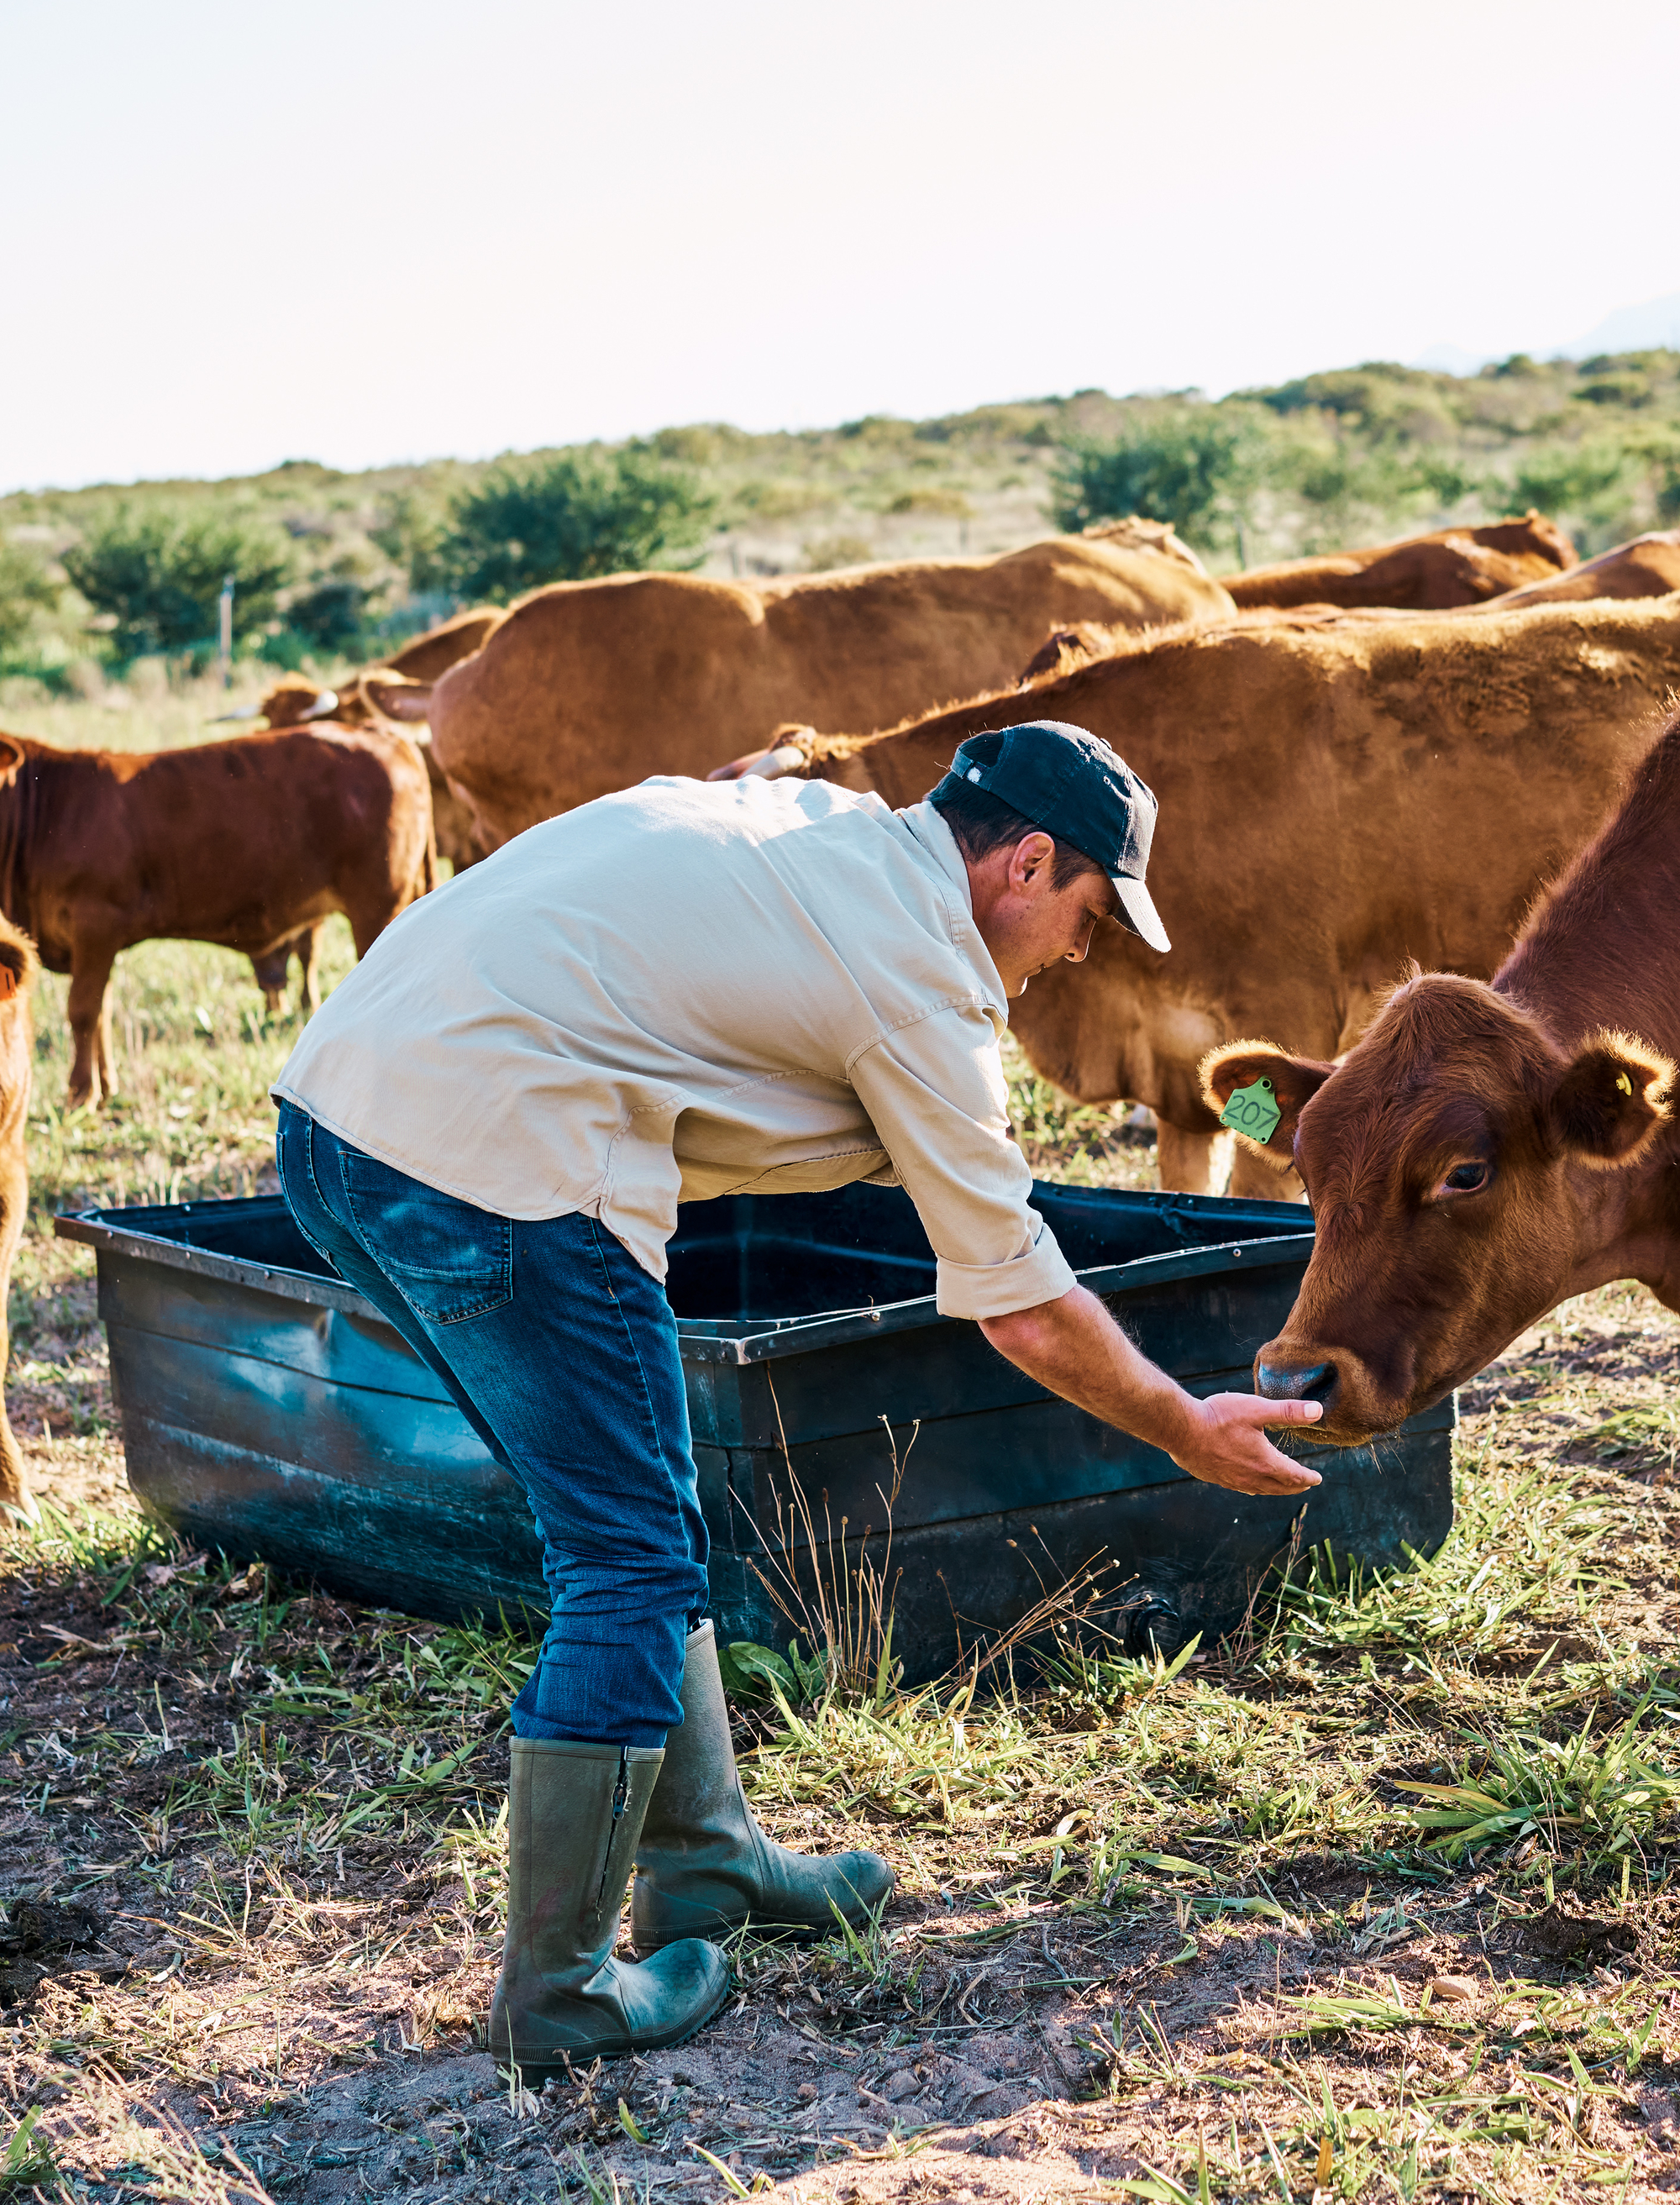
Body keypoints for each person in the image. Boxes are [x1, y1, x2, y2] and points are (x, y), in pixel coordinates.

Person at [269, 721, 1326, 2076]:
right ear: (1025, 862)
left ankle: (706, 1866)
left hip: (341, 1118)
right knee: (627, 1562)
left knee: (636, 1518)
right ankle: (562, 1994)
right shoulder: (918, 983)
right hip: (493, 1159)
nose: (1081, 948)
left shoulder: (823, 831)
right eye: (1087, 913)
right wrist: (1186, 1426)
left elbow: (705, 811)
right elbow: (1016, 1302)